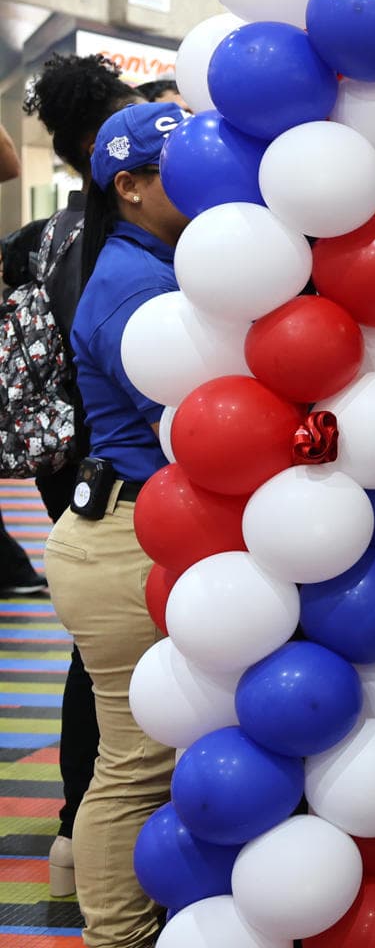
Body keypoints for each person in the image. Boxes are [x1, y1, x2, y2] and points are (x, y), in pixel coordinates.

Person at [44, 102, 186, 948]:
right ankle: (116, 937)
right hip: (126, 537)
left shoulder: (160, 263)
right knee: (135, 766)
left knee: (147, 763)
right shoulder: (135, 283)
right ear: (128, 188)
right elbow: (186, 412)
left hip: (142, 534)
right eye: (181, 171)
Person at [16, 56, 139, 903]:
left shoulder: (34, 241)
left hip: (64, 469)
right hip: (128, 466)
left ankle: (71, 834)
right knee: (122, 671)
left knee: (90, 660)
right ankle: (99, 844)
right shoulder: (121, 247)